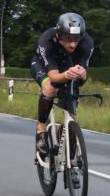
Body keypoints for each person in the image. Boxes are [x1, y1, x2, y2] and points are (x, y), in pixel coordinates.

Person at [30, 12, 94, 160]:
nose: (72, 44)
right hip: (44, 65)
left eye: (76, 39)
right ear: (59, 35)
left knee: (72, 101)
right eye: (68, 39)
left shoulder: (87, 43)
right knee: (50, 87)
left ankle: (67, 141)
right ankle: (41, 129)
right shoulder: (46, 40)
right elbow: (54, 77)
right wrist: (65, 75)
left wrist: (82, 74)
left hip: (67, 64)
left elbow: (82, 78)